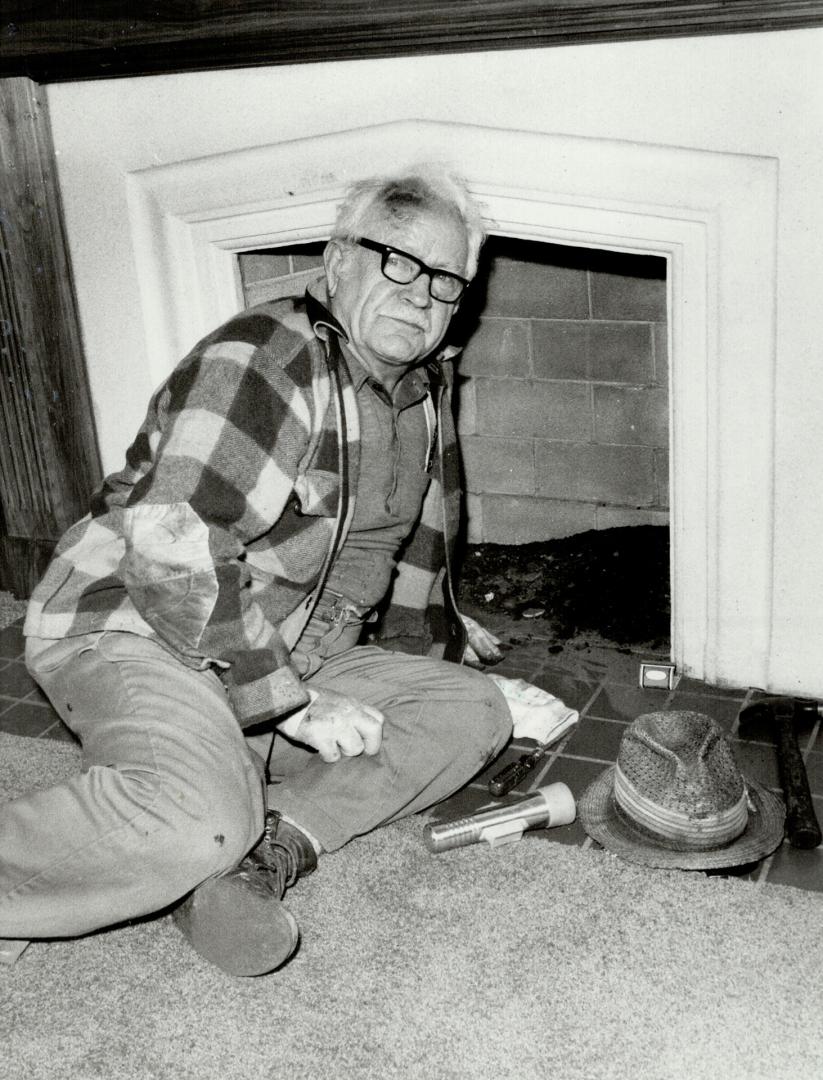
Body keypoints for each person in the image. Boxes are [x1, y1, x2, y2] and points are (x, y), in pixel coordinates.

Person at [2, 165, 512, 976]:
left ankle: (253, 858)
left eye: (448, 280)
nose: (423, 295)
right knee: (193, 819)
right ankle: (207, 824)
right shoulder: (267, 357)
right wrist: (292, 706)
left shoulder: (417, 392)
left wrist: (446, 633)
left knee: (475, 711)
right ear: (338, 259)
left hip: (286, 640)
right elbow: (171, 541)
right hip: (139, 629)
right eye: (400, 261)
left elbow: (402, 547)